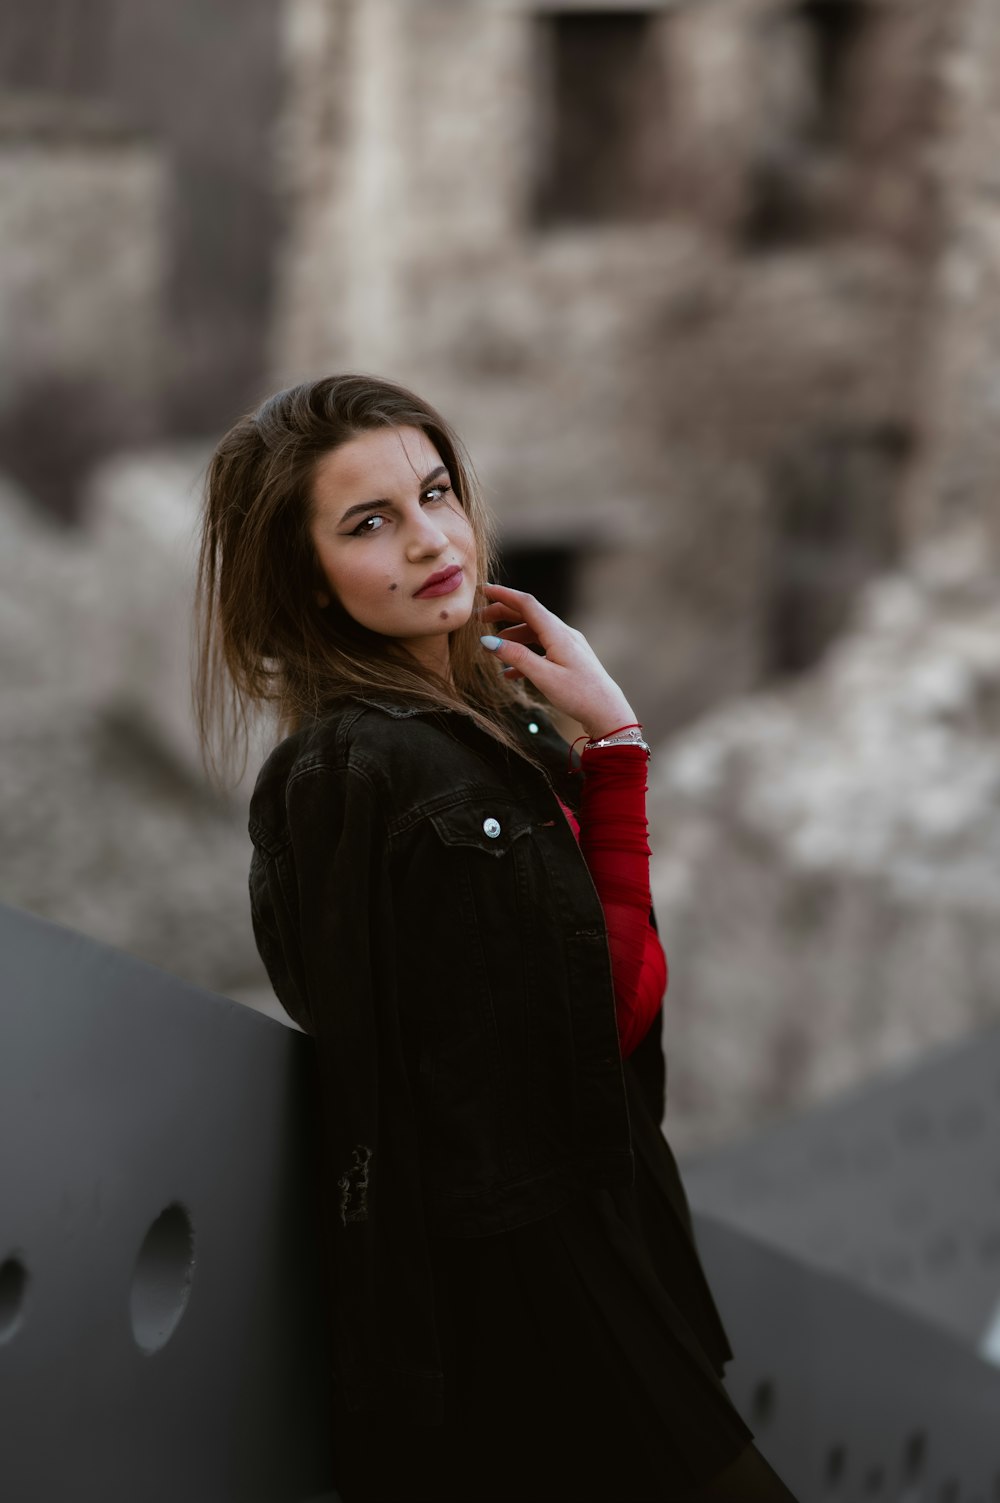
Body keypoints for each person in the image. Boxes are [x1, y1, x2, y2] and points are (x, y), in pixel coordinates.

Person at [193, 373, 797, 1502]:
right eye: (369, 523)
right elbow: (560, 1041)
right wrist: (614, 748)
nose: (430, 540)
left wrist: (601, 746)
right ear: (307, 580)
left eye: (436, 493)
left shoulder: (495, 729)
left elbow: (603, 1011)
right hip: (533, 1298)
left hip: (610, 1248)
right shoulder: (348, 771)